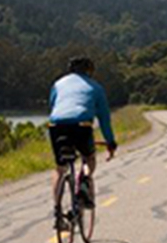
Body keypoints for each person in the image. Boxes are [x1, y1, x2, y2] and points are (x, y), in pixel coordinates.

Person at [48, 57, 118, 219]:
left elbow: (53, 107)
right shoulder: (96, 87)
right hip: (81, 125)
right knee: (88, 159)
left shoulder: (58, 84)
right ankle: (85, 181)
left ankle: (57, 210)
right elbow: (104, 119)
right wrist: (110, 142)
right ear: (89, 71)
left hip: (56, 126)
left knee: (60, 169)